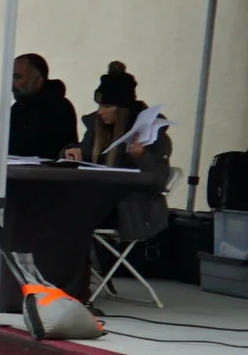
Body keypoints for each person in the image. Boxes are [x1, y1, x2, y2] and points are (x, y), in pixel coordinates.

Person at [63, 61, 174, 241]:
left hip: (131, 211)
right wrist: (70, 151)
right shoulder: (97, 130)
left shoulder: (151, 135)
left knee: (67, 216)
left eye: (107, 106)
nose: (100, 112)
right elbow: (82, 151)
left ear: (122, 109)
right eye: (99, 106)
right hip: (97, 202)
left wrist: (141, 157)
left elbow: (159, 181)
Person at [0, 53, 78, 159]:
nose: (11, 83)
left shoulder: (59, 108)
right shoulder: (19, 107)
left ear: (38, 81)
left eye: (17, 77)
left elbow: (31, 146)